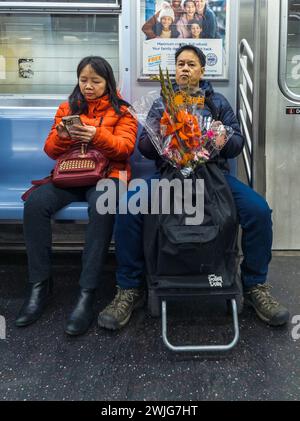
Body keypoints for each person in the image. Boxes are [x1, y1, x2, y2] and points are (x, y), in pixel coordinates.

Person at [98, 45, 290, 331]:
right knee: (127, 207)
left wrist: (221, 137)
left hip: (214, 177)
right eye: (180, 64)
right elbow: (145, 148)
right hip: (169, 176)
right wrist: (162, 132)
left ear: (202, 70)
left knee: (258, 211)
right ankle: (129, 287)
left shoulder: (217, 103)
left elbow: (235, 145)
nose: (184, 69)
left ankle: (254, 285)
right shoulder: (162, 102)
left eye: (191, 64)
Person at [15, 56, 138, 336]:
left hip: (109, 175)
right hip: (72, 174)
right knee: (35, 203)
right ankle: (40, 285)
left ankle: (87, 291)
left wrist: (96, 135)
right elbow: (50, 150)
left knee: (102, 204)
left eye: (95, 81)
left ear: (108, 82)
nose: (88, 86)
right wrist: (62, 135)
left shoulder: (123, 112)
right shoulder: (67, 108)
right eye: (84, 80)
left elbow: (125, 149)